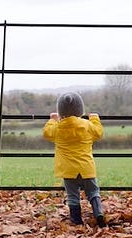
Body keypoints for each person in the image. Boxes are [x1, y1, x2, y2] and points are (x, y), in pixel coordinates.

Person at [42, 92, 106, 227]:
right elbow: (98, 132)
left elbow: (47, 133)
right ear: (80, 110)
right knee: (93, 192)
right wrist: (94, 118)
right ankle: (98, 212)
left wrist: (52, 119)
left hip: (68, 170)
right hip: (86, 167)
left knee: (72, 196)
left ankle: (76, 220)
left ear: (60, 111)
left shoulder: (58, 127)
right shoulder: (87, 125)